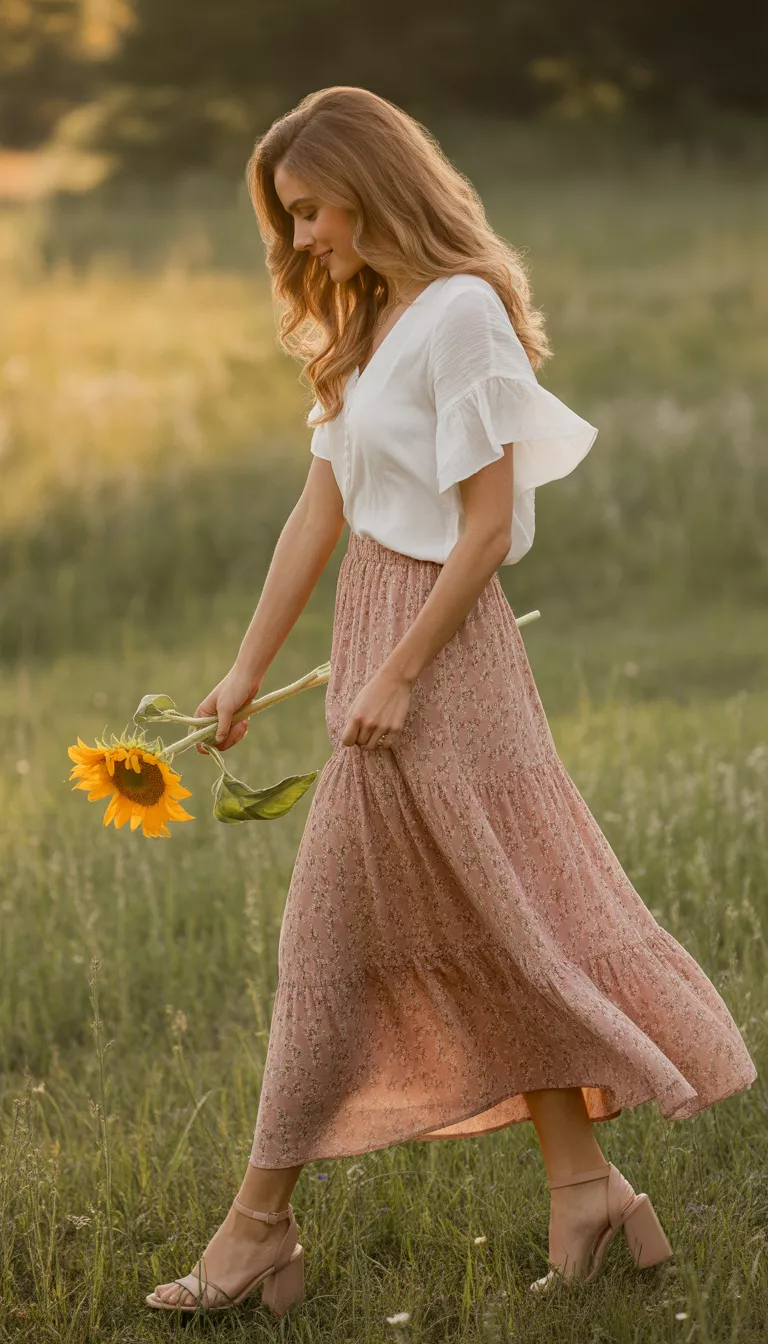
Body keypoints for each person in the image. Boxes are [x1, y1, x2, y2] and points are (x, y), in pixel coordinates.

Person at [146, 86, 757, 1317]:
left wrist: (401, 670)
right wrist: (247, 669)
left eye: (310, 209)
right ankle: (585, 1193)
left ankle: (257, 1228)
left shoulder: (461, 314)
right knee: (492, 924)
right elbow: (319, 510)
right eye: (292, 221)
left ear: (372, 183)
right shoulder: (370, 324)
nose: (304, 239)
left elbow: (484, 531)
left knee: (329, 937)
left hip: (439, 651)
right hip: (378, 632)